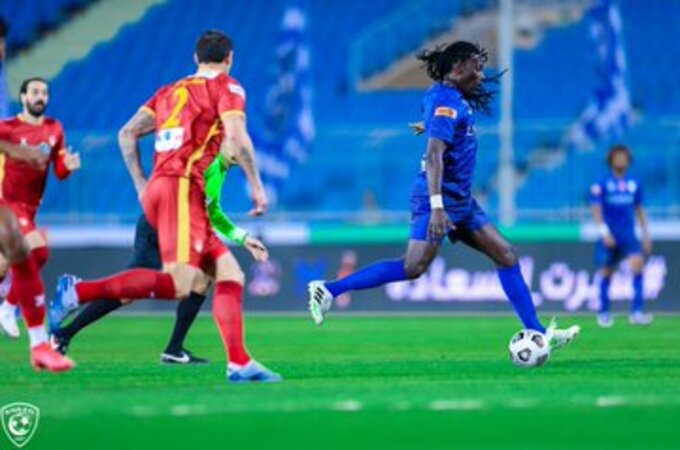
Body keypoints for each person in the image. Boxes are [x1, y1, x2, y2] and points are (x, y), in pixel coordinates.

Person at [308, 41, 580, 354]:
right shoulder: (445, 100)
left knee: (506, 255)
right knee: (412, 267)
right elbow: (434, 154)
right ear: (459, 66)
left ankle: (537, 332)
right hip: (437, 200)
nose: (481, 74)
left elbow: (444, 125)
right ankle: (328, 290)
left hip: (461, 202)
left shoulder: (449, 100)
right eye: (476, 67)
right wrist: (437, 208)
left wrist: (430, 125)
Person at [49, 30, 280, 382]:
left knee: (227, 274)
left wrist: (143, 185)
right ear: (230, 58)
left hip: (165, 190)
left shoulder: (168, 92)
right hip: (180, 190)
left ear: (195, 58)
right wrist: (257, 187)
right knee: (181, 283)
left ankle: (238, 361)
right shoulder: (227, 88)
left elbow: (126, 134)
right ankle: (78, 291)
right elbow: (236, 137)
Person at [51, 153, 270, 365]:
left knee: (203, 279)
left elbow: (213, 213)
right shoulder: (204, 162)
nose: (240, 153)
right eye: (236, 145)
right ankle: (70, 314)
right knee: (129, 293)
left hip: (180, 229)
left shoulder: (219, 170)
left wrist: (243, 237)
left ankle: (174, 350)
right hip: (158, 227)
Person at [0, 77, 81, 339]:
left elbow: (59, 171)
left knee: (4, 267)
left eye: (44, 93)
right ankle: (9, 308)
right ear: (23, 97)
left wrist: (67, 166)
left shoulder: (54, 129)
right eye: (34, 92)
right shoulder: (8, 128)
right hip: (8, 203)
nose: (40, 97)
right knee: (40, 251)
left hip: (30, 209)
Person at [0, 137, 75, 371]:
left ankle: (9, 309)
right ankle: (9, 310)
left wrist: (65, 165)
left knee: (34, 255)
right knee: (35, 252)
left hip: (18, 213)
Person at [590, 144, 652, 327]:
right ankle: (603, 312)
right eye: (617, 157)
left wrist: (646, 235)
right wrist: (604, 232)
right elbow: (596, 209)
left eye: (624, 157)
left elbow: (640, 209)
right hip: (610, 235)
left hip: (629, 235)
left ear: (628, 160)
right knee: (607, 272)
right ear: (611, 160)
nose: (621, 160)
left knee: (638, 267)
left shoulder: (634, 182)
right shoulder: (602, 182)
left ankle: (637, 312)